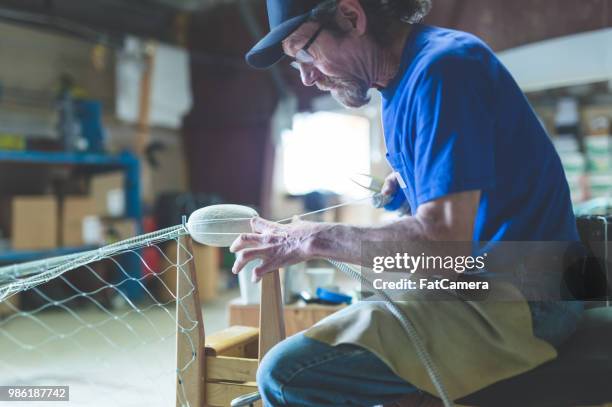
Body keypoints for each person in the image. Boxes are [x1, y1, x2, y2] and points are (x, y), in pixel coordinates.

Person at [232, 1, 584, 405]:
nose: (308, 77)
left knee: (287, 374)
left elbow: (442, 245)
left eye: (306, 52)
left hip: (528, 299)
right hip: (473, 283)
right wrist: (412, 184)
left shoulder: (444, 68)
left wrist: (313, 239)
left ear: (351, 16)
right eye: (297, 64)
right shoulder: (398, 87)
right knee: (360, 312)